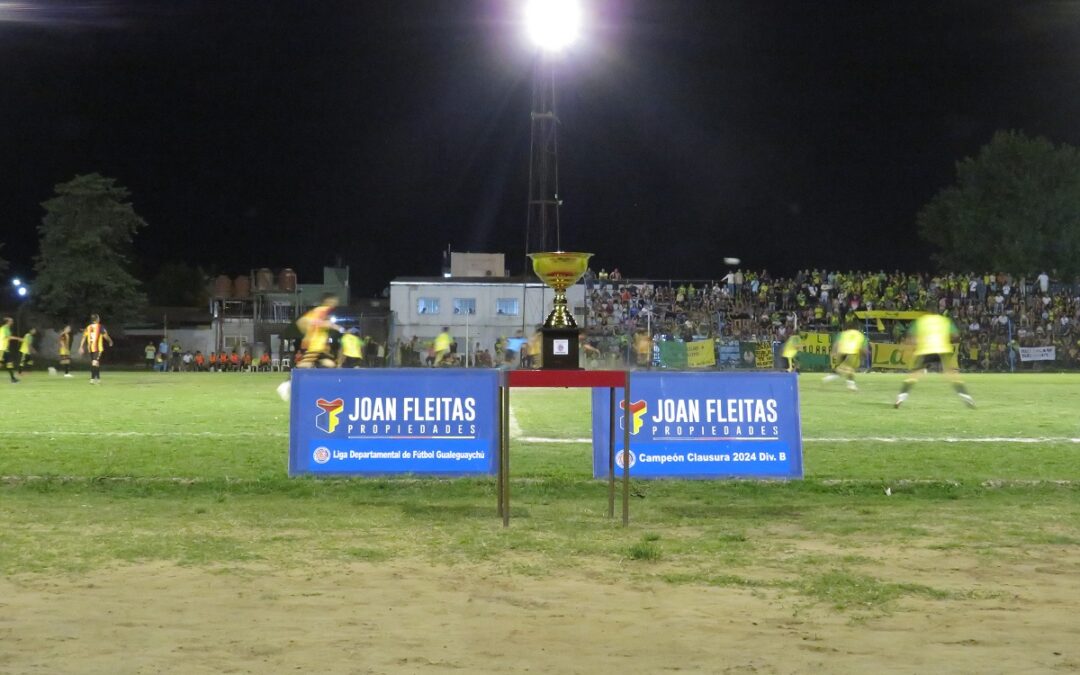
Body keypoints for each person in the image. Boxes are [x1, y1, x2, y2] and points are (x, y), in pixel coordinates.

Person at [895, 313, 975, 408]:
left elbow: (911, 337)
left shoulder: (921, 320)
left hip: (925, 349)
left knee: (914, 374)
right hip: (943, 349)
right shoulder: (944, 320)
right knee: (952, 374)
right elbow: (956, 335)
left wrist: (914, 344)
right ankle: (966, 397)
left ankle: (901, 397)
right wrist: (947, 337)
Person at [278, 293, 342, 402]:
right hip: (314, 346)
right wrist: (328, 325)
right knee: (306, 365)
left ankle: (317, 389)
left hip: (320, 347)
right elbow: (304, 322)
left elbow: (303, 322)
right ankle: (286, 385)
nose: (335, 302)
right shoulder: (322, 310)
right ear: (328, 301)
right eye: (334, 300)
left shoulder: (322, 311)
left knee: (329, 365)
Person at [79, 314, 114, 384]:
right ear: (97, 319)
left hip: (90, 348)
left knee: (96, 363)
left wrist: (81, 346)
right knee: (94, 362)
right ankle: (92, 379)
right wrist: (110, 341)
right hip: (97, 348)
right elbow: (105, 336)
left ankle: (98, 379)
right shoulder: (100, 327)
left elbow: (84, 337)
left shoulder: (88, 327)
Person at [1, 317, 18, 383]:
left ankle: (13, 379)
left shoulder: (5, 328)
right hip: (2, 349)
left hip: (4, 349)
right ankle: (13, 379)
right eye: (11, 321)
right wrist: (18, 339)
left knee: (8, 363)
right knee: (9, 363)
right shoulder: (4, 328)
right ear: (7, 322)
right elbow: (8, 337)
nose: (12, 322)